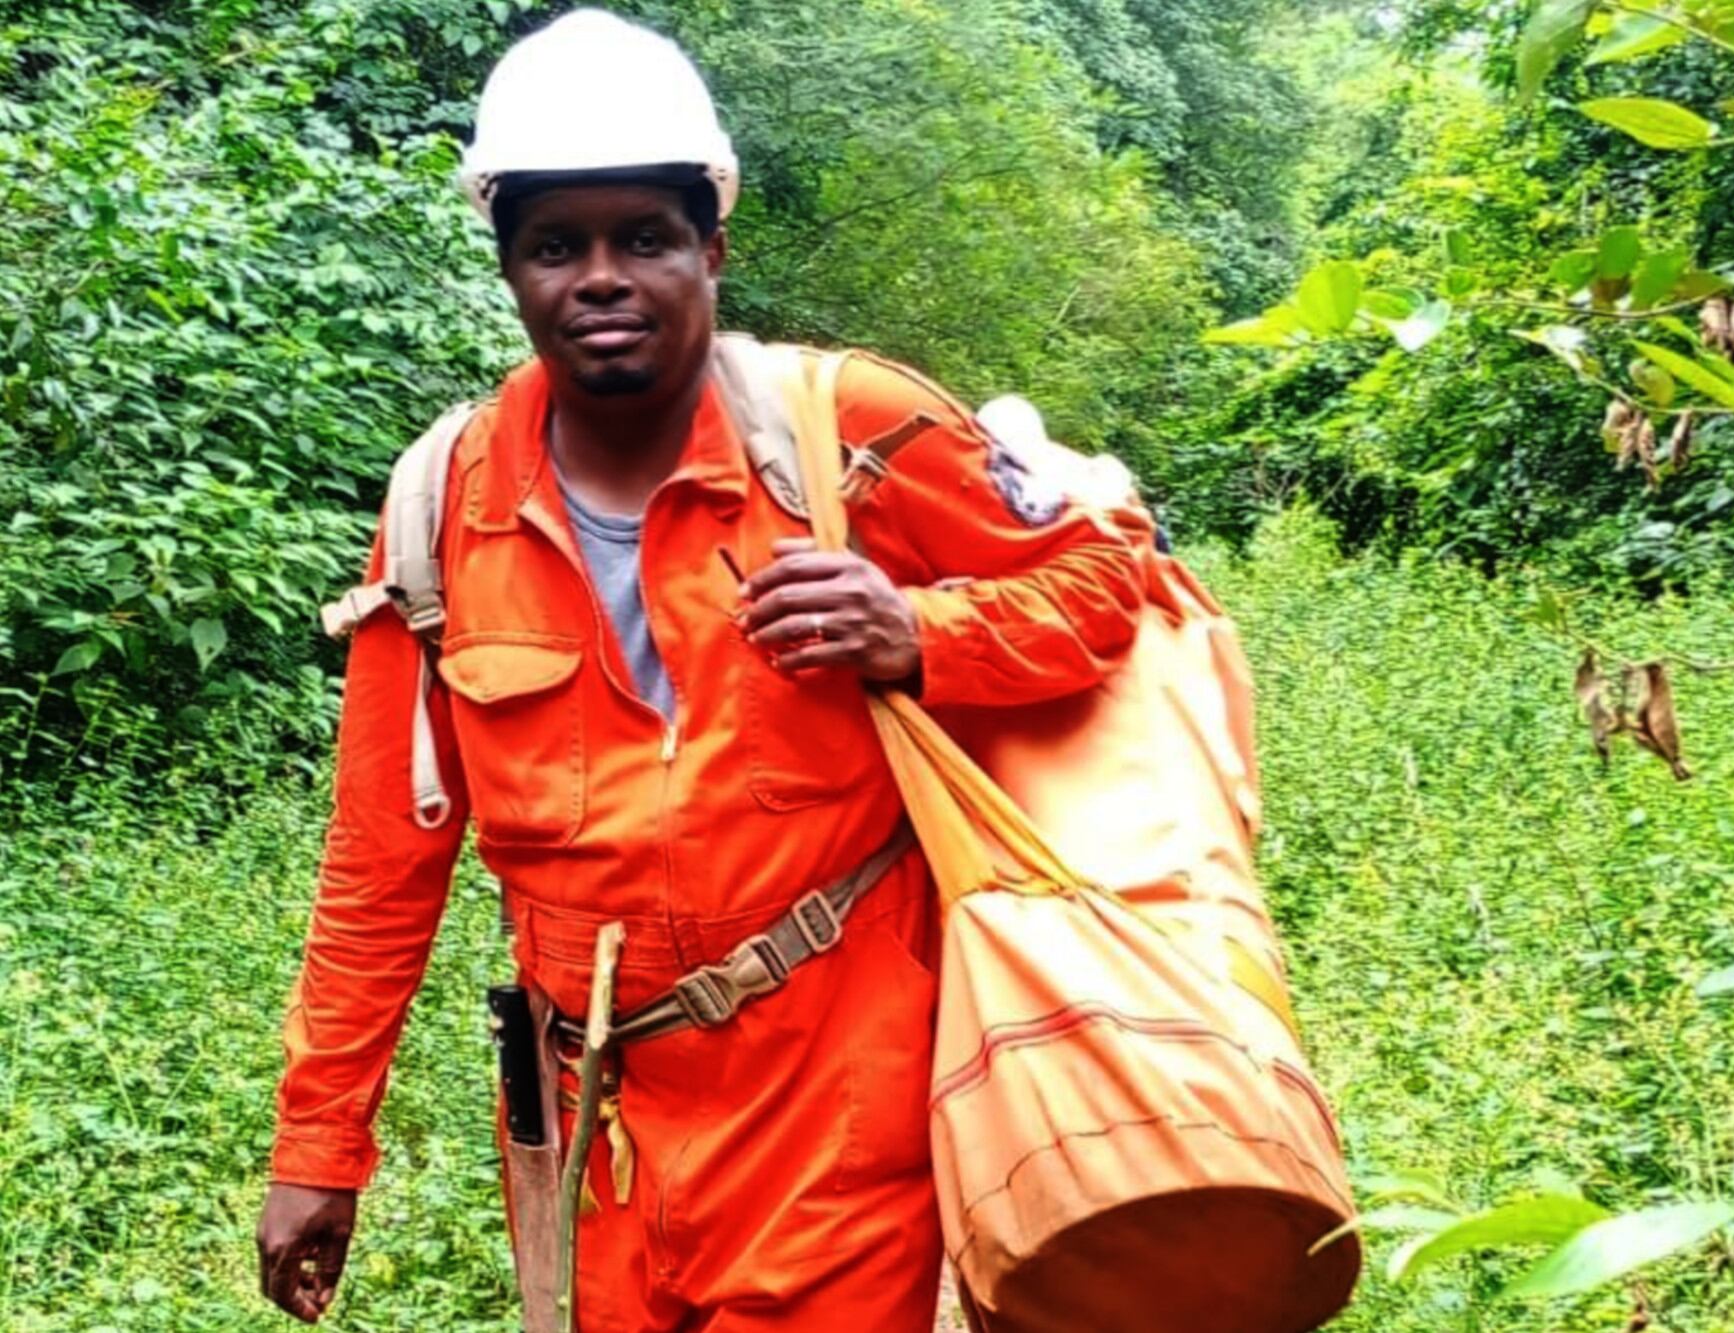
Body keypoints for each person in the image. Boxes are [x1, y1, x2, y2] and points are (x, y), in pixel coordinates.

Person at [253, 9, 1144, 1330]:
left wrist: (920, 631)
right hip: (588, 1129)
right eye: (558, 244)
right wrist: (321, 1144)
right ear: (508, 267)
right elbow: (383, 851)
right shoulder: (441, 499)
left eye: (645, 238)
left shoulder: (847, 427)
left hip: (837, 1105)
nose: (601, 276)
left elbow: (1103, 578)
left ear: (712, 248)